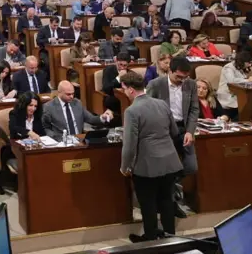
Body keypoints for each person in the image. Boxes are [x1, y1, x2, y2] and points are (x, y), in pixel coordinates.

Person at [119, 71, 182, 242]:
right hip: (170, 161)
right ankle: (170, 236)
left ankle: (151, 238)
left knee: (148, 203)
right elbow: (175, 132)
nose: (124, 92)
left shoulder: (132, 111)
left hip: (147, 165)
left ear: (131, 90)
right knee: (166, 201)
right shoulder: (162, 104)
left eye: (124, 88)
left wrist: (125, 167)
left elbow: (130, 145)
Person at [146, 56, 199, 185]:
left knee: (192, 166)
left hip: (183, 129)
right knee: (165, 167)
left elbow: (194, 110)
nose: (182, 80)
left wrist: (190, 131)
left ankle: (172, 184)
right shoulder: (156, 84)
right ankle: (169, 192)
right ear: (170, 70)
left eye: (185, 77)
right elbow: (146, 108)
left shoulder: (191, 84)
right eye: (178, 77)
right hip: (163, 130)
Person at [41, 80, 112, 141]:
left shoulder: (77, 103)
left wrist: (103, 117)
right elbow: (45, 127)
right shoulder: (49, 107)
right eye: (68, 94)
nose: (72, 97)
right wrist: (55, 137)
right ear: (59, 93)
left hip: (79, 140)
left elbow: (91, 119)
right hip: (61, 142)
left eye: (73, 94)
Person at [214, 51, 252, 120]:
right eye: (249, 63)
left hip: (238, 93)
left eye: (251, 63)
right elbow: (231, 80)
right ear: (242, 61)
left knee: (251, 104)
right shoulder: (228, 67)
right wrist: (247, 80)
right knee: (245, 106)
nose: (250, 65)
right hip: (227, 94)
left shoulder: (240, 68)